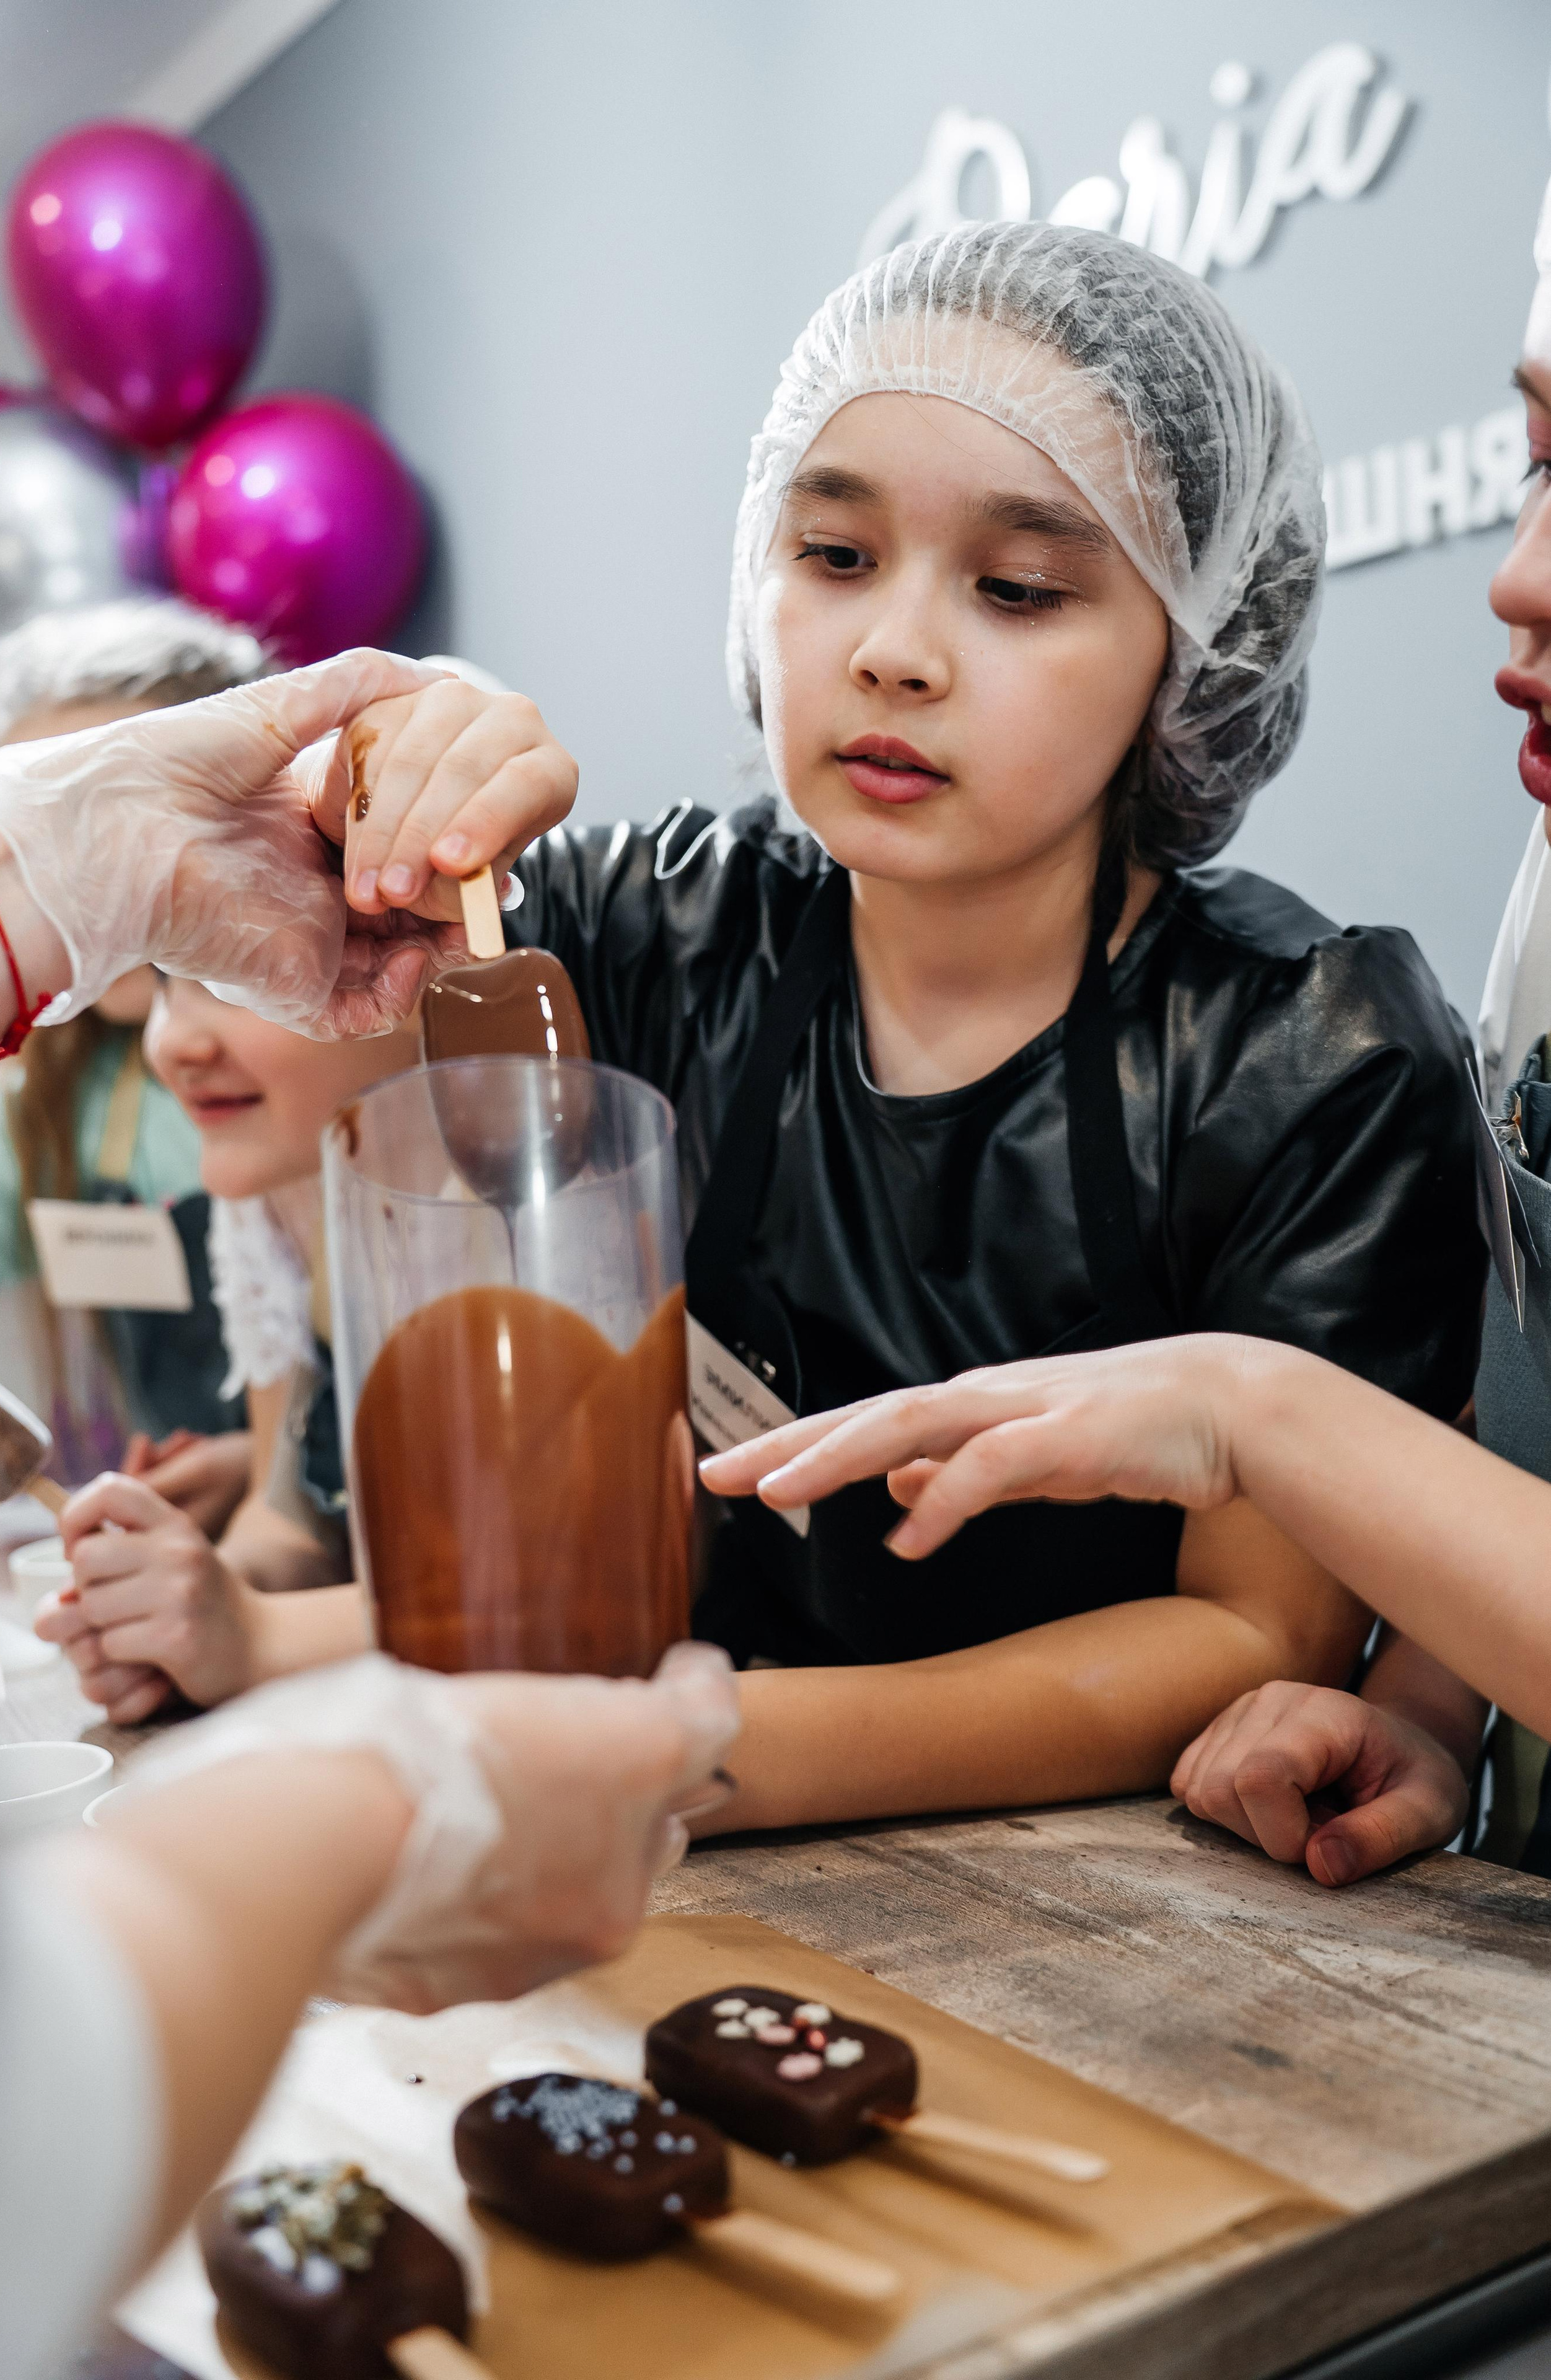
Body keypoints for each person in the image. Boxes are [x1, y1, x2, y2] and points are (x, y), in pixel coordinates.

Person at [314, 221, 1482, 1837]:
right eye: (836, 556)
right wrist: (369, 782)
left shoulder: (1313, 1055)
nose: (893, 651)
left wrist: (716, 1750)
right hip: (656, 1853)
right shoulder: (654, 928)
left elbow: (1256, 1631)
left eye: (1017, 589)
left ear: (1196, 655)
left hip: (1123, 1912)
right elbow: (322, 1090)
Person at [0, 646, 736, 2380]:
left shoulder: (519, 1198)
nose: (173, 1038)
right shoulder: (296, 1221)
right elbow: (10, 2151)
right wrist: (346, 1797)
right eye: (141, 975)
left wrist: (44, 870)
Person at [39, 975, 419, 1724]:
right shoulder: (273, 1187)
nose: (174, 1042)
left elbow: (559, 1599)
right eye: (166, 983)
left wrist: (255, 1636)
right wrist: (191, 1598)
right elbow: (290, 1519)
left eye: (242, 982)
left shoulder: (536, 1194)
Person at [0, 599, 272, 1521]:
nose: (93, 884)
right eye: (46, 848)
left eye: (118, 825)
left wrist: (276, 1462)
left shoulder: (321, 1056)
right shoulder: (45, 1108)